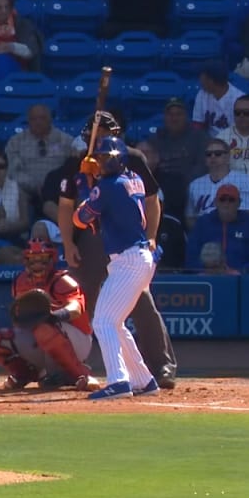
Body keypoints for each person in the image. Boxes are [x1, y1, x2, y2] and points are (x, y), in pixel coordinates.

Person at [57, 112, 177, 390]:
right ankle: (73, 367)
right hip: (96, 240)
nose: (102, 146)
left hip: (126, 244)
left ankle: (155, 368)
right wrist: (68, 242)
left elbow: (151, 200)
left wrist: (151, 236)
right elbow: (65, 206)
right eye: (96, 138)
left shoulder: (129, 161)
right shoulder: (79, 164)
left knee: (129, 308)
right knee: (86, 300)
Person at [72, 136, 161, 399]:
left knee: (102, 321)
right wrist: (94, 181)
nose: (101, 162)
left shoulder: (108, 187)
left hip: (129, 260)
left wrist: (85, 186)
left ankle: (118, 381)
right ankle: (143, 380)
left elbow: (80, 219)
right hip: (136, 258)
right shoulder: (133, 178)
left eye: (105, 158)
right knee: (116, 323)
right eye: (100, 158)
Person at [0, 239, 100, 391]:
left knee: (44, 328)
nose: (37, 264)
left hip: (77, 338)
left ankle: (81, 375)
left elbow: (76, 308)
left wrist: (54, 315)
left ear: (52, 260)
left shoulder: (63, 281)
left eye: (42, 259)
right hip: (40, 337)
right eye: (33, 259)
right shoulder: (21, 282)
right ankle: (24, 374)